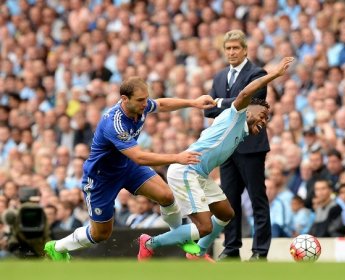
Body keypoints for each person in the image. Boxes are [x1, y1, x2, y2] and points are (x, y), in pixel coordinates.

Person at [137, 57, 294, 262]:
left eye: (267, 119)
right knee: (204, 226)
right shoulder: (236, 114)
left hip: (199, 173)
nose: (264, 121)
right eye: (263, 115)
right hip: (186, 170)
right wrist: (273, 74)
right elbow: (245, 93)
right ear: (249, 110)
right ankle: (150, 243)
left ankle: (198, 253)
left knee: (226, 214)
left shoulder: (242, 132)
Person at [43, 77, 216, 261]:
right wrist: (177, 158)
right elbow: (140, 157)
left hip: (127, 166)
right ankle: (57, 247)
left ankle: (179, 237)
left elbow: (161, 104)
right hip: (102, 178)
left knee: (166, 196)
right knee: (100, 233)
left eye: (146, 98)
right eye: (140, 100)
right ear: (125, 99)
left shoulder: (139, 106)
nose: (145, 103)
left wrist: (193, 102)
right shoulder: (115, 123)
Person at [204, 29, 271, 261]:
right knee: (229, 200)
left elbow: (251, 102)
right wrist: (232, 103)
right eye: (228, 48)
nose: (232, 52)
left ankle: (260, 252)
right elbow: (208, 109)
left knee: (257, 199)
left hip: (251, 146)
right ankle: (232, 249)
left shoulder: (258, 73)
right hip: (227, 148)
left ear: (245, 50)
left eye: (236, 48)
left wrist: (222, 102)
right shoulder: (220, 77)